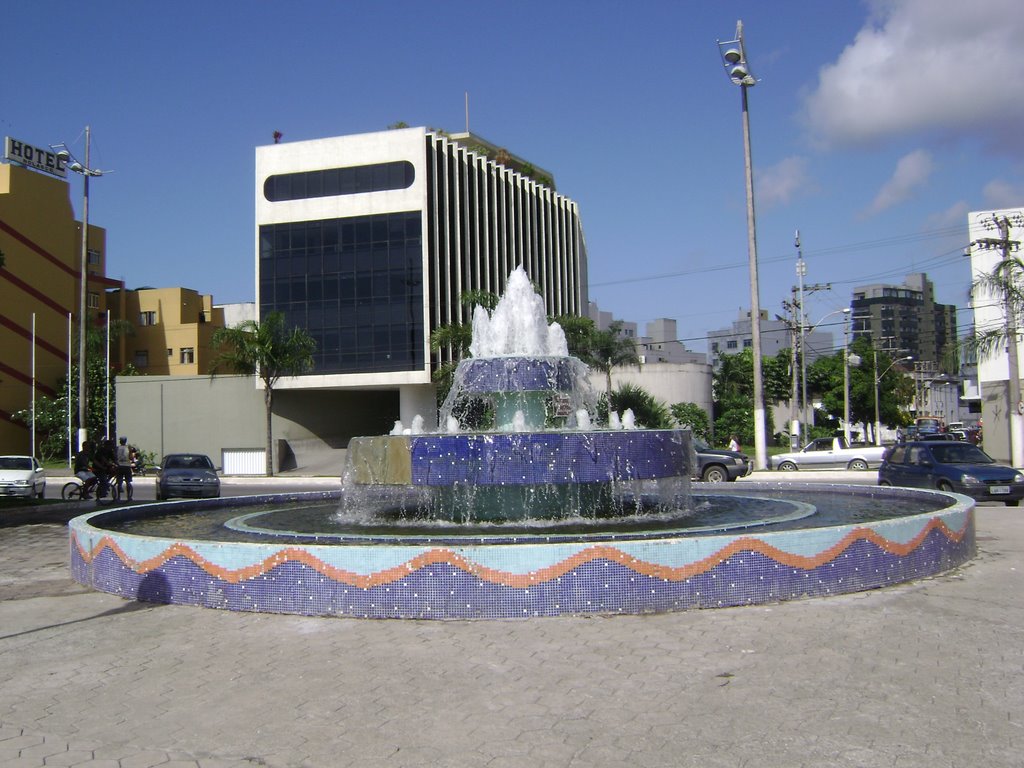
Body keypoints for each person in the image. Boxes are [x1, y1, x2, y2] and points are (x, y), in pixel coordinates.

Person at [115, 436, 134, 501]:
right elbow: (131, 458)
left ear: (120, 441)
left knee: (119, 482)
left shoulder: (117, 448)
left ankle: (118, 497)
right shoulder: (128, 448)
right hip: (127, 466)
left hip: (119, 466)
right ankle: (128, 497)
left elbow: (115, 457)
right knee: (128, 482)